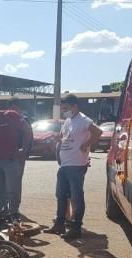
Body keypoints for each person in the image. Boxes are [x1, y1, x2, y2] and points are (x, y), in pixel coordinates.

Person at [45, 94, 102, 240]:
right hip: (64, 165)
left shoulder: (83, 120)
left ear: (74, 106)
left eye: (66, 109)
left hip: (76, 165)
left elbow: (98, 132)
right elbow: (65, 136)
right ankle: (60, 224)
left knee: (76, 197)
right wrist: (59, 139)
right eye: (63, 109)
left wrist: (85, 145)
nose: (64, 111)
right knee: (61, 195)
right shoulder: (69, 121)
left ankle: (76, 227)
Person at [0, 99, 33, 219]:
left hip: (11, 160)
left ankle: (13, 213)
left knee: (13, 189)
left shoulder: (11, 115)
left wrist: (24, 149)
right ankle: (0, 212)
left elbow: (27, 130)